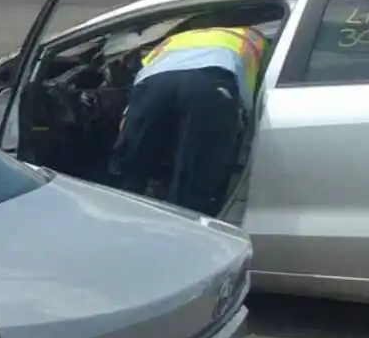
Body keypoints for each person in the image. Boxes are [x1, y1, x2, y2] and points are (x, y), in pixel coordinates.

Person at [107, 23, 271, 216]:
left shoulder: (178, 37)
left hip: (155, 83)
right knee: (195, 175)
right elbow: (263, 85)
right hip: (213, 83)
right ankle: (185, 226)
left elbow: (142, 74)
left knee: (131, 163)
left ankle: (118, 213)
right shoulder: (257, 39)